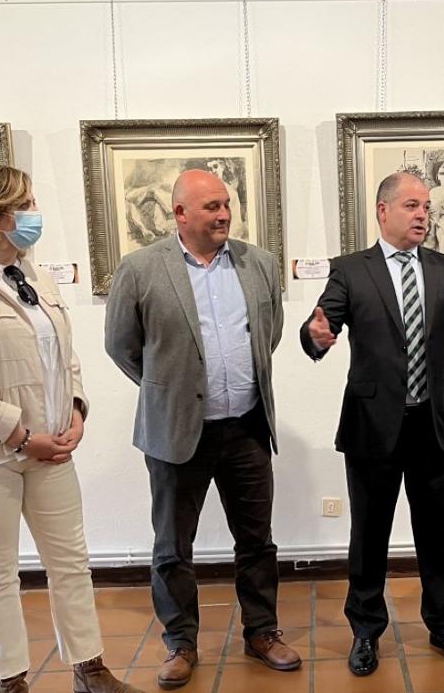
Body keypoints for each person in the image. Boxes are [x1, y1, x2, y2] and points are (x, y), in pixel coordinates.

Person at [0, 165, 142, 693]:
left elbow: (64, 354)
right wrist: (16, 432)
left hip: (53, 448)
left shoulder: (36, 275)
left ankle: (90, 669)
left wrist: (77, 410)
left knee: (71, 563)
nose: (35, 215)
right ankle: (10, 681)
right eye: (26, 205)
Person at [301, 172, 444, 677]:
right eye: (412, 206)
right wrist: (315, 335)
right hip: (371, 427)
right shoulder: (350, 271)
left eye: (427, 207)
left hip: (433, 422)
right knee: (369, 536)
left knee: (436, 534)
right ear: (383, 211)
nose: (423, 215)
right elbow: (325, 324)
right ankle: (365, 632)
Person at [104, 169, 299, 690]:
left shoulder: (260, 264)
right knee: (172, 546)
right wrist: (171, 389)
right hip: (175, 432)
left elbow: (269, 333)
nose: (223, 214)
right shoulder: (141, 269)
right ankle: (180, 642)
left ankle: (262, 631)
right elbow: (121, 345)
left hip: (248, 427)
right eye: (211, 206)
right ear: (180, 215)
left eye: (226, 204)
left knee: (257, 541)